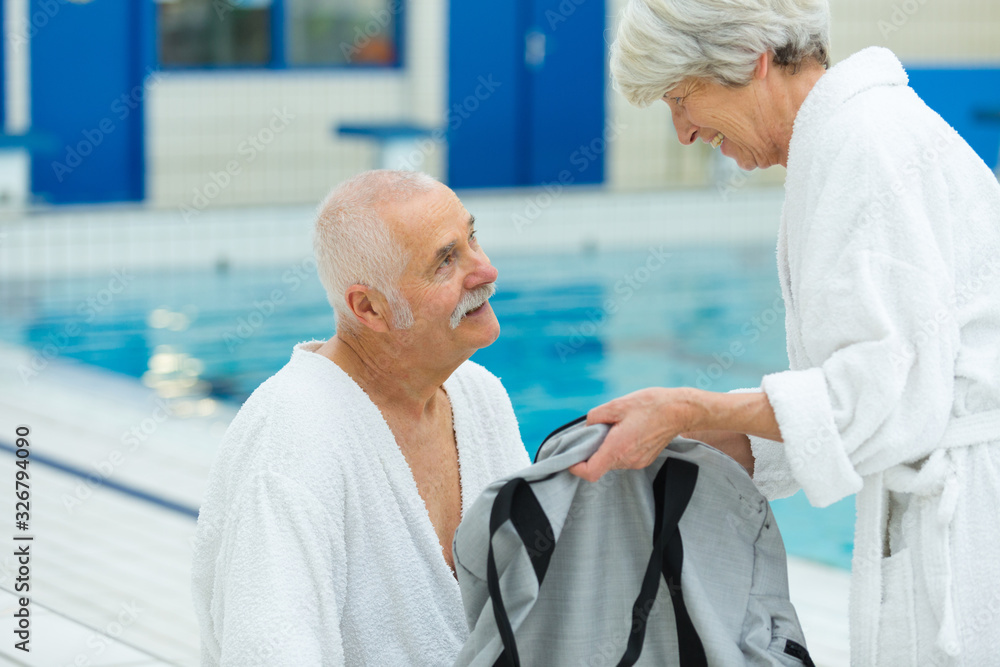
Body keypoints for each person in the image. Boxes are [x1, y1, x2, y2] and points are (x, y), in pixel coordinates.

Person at [575, 1, 1000, 665]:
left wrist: (693, 407)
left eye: (681, 98)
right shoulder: (848, 139)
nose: (684, 132)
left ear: (751, 59)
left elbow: (882, 403)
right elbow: (863, 391)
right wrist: (724, 442)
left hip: (974, 519)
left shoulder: (865, 144)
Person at [191, 170, 530, 665]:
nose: (485, 271)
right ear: (369, 307)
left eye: (472, 238)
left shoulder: (478, 397)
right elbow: (270, 650)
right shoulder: (295, 439)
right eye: (445, 261)